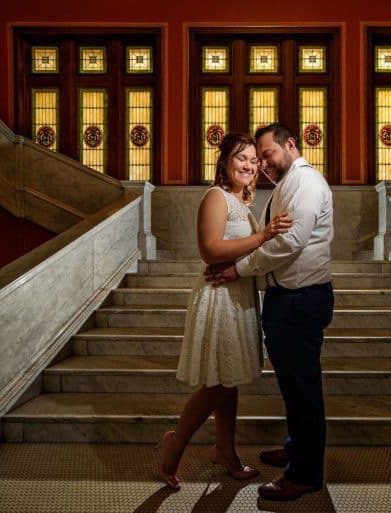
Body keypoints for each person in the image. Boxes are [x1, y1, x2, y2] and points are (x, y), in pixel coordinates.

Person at [157, 133, 293, 490]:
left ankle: (226, 452)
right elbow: (211, 249)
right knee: (217, 383)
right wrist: (263, 236)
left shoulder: (240, 201)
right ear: (224, 162)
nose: (249, 166)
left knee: (228, 379)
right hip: (218, 297)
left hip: (238, 293)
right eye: (240, 158)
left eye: (253, 160)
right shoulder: (216, 197)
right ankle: (174, 447)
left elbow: (241, 253)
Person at [206, 123, 334, 501]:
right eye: (256, 157)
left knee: (303, 389)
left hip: (301, 299)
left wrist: (238, 270)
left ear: (290, 145)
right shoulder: (288, 184)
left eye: (266, 154)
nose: (262, 164)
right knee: (293, 388)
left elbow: (289, 243)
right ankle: (297, 449)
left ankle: (304, 474)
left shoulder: (306, 183)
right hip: (286, 299)